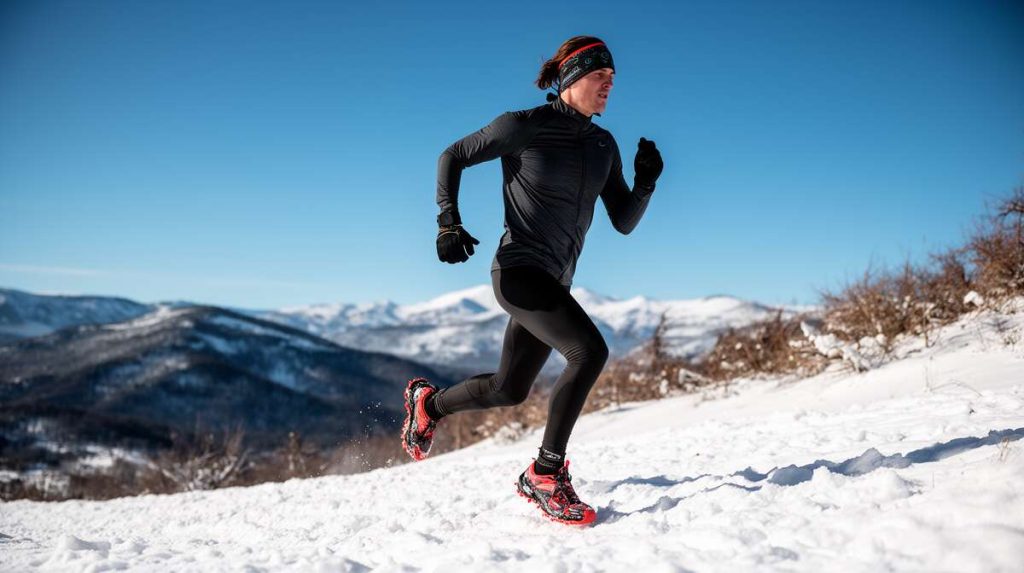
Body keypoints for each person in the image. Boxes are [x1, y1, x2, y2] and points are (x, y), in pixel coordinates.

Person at [401, 35, 664, 526]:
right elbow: (452, 155)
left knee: (509, 388)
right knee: (589, 352)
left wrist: (646, 182)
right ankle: (545, 473)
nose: (609, 85)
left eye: (613, 79)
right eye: (598, 77)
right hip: (519, 271)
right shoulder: (523, 125)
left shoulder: (604, 145)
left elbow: (623, 220)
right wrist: (447, 221)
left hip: (556, 282)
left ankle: (428, 405)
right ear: (570, 79)